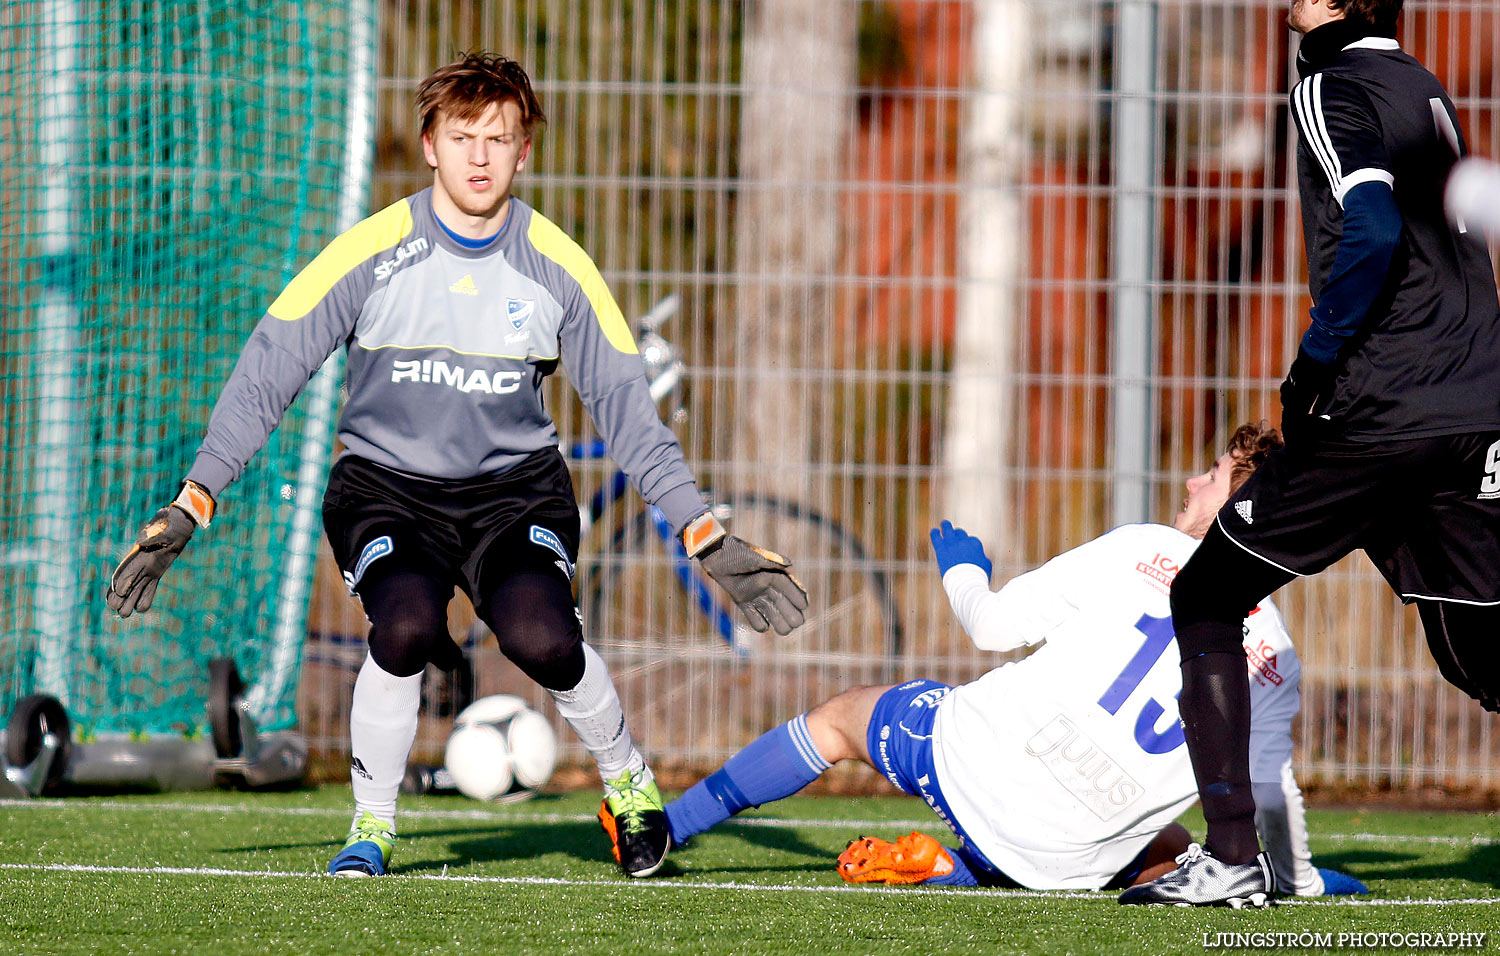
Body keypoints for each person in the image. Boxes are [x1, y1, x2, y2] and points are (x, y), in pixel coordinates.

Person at [105, 52, 808, 879]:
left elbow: (627, 411)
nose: (481, 156)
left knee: (544, 639)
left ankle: (630, 782)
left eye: (500, 138)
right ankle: (371, 828)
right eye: (462, 136)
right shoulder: (373, 251)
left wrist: (703, 532)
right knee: (403, 630)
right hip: (384, 491)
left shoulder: (558, 267)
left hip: (515, 496)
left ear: (525, 153)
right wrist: (195, 501)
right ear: (430, 144)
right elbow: (270, 370)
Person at [1124, 0, 1500, 907]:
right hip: (1476, 399)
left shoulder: (1330, 86)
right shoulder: (1419, 83)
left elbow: (1369, 229)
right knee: (1482, 655)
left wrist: (1312, 367)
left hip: (1383, 408)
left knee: (1207, 594)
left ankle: (1231, 860)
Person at [666, 424, 1362, 897]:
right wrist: (1310, 880)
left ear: (1236, 503)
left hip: (972, 768)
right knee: (1171, 848)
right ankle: (956, 868)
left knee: (840, 720)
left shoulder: (1143, 548)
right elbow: (1265, 793)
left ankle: (666, 827)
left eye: (1210, 476)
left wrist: (963, 572)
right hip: (1068, 860)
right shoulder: (1278, 656)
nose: (1189, 481)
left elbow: (991, 625)